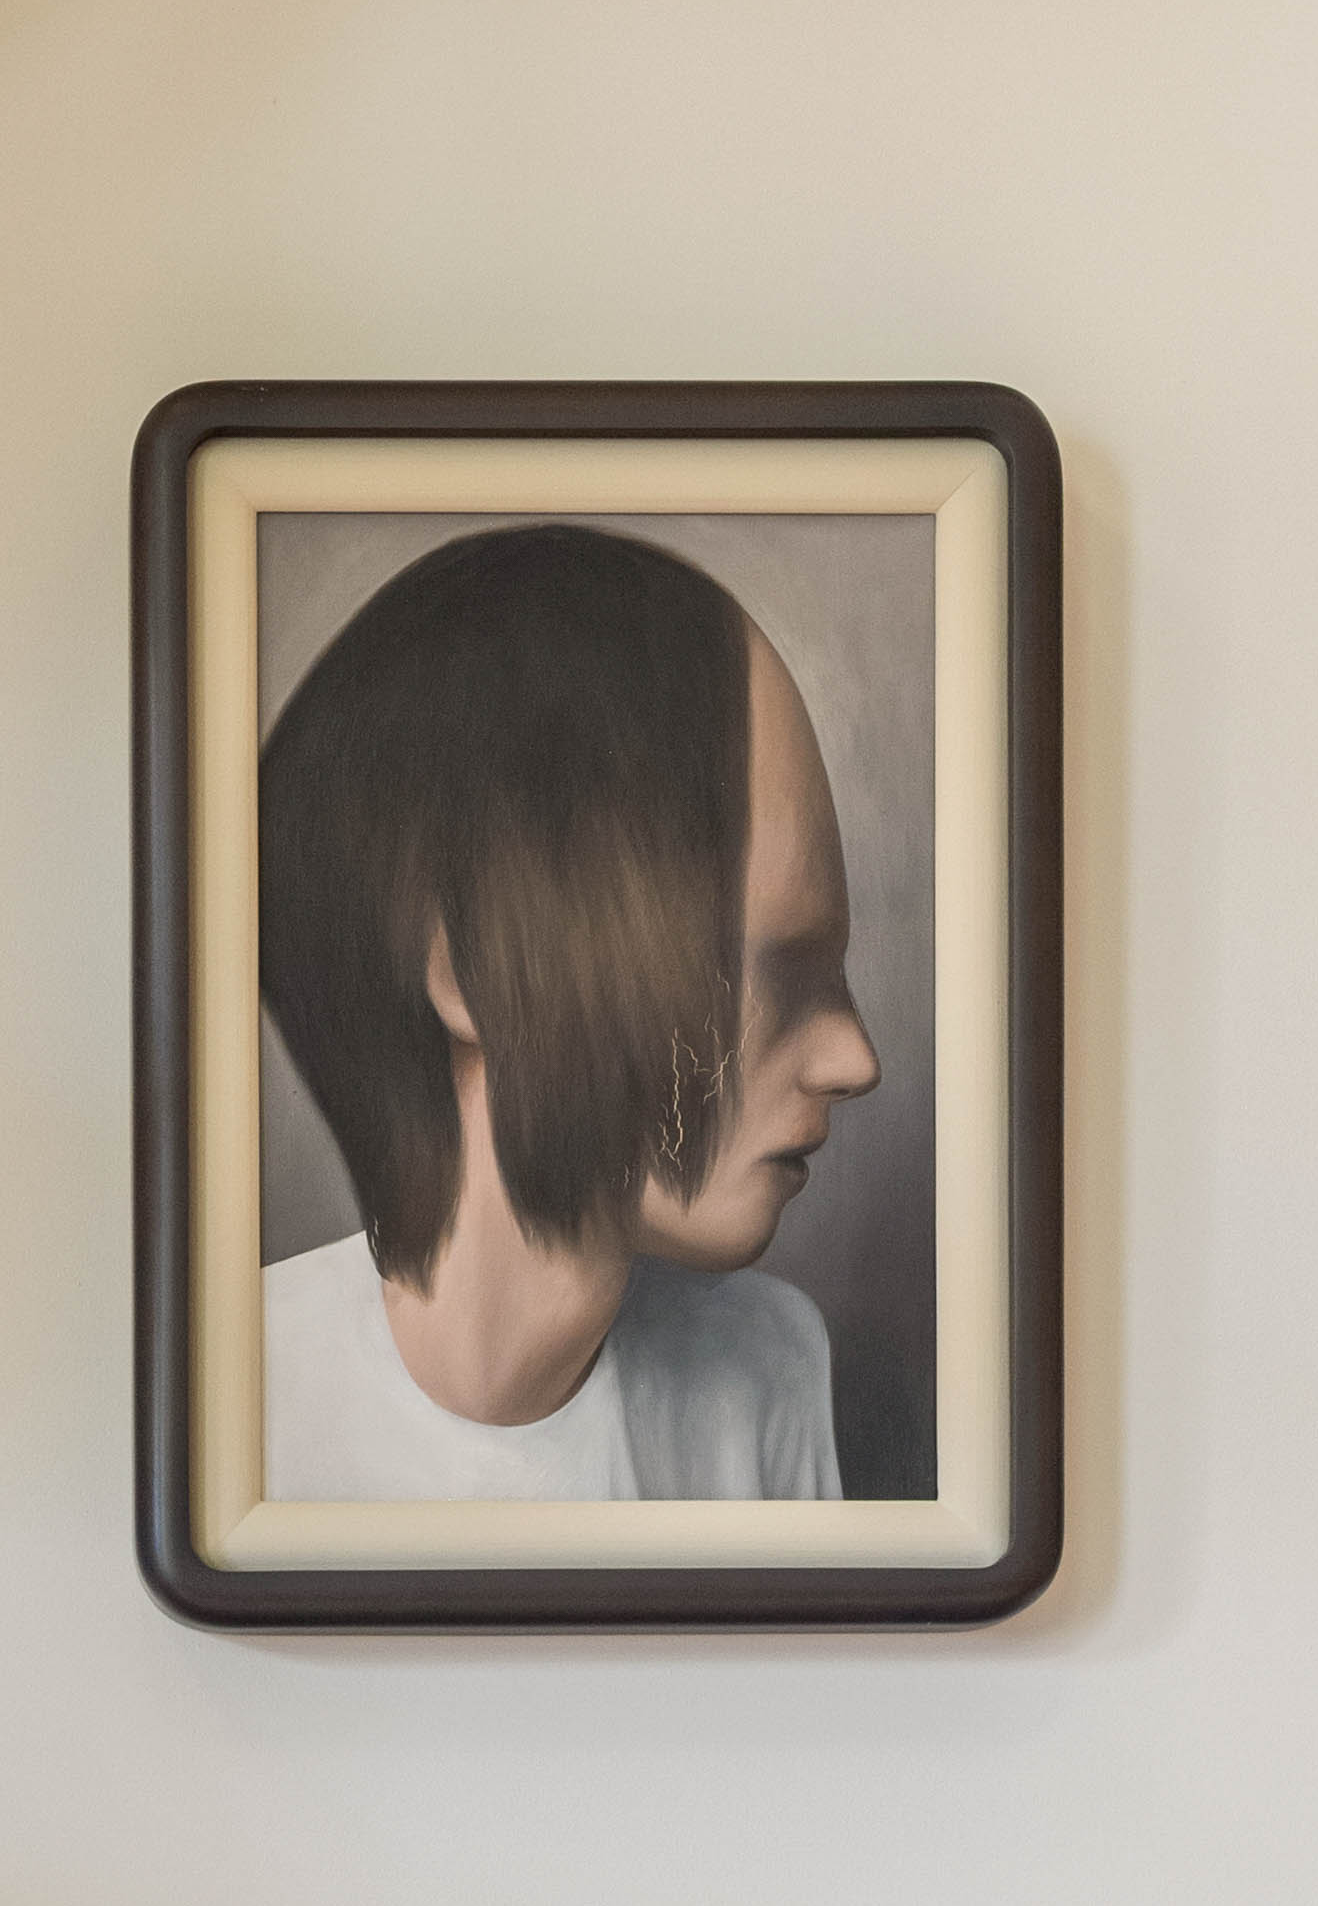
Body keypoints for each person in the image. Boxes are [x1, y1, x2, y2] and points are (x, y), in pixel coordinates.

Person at [250, 520, 881, 1501]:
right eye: (777, 974)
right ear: (471, 975)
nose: (854, 1058)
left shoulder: (767, 1369)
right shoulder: (244, 1407)